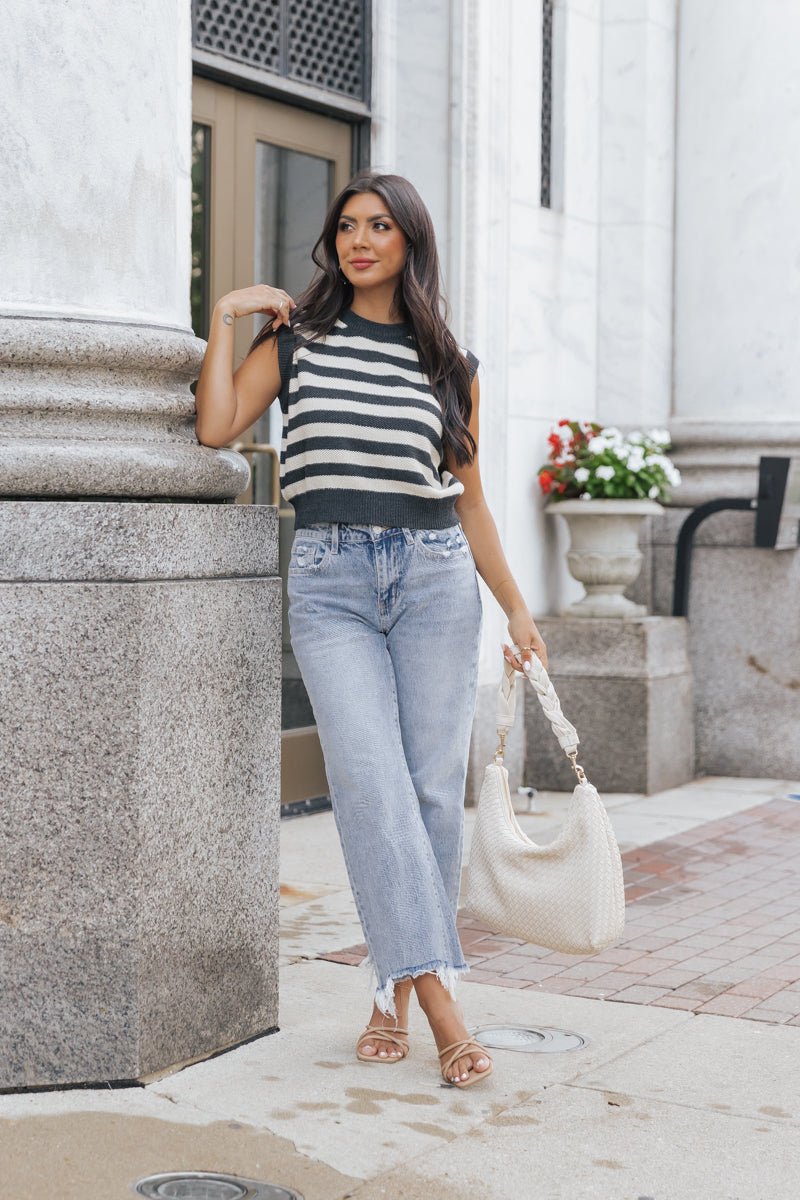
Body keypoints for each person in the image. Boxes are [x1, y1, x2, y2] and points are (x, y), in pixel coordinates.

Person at [194, 170, 547, 1089]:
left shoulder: (448, 368)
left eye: (379, 226)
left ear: (408, 242)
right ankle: (442, 1005)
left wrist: (515, 605)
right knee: (370, 783)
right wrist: (229, 312)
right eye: (346, 226)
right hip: (331, 582)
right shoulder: (298, 342)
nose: (359, 241)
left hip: (435, 581)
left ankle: (387, 994)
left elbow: (469, 505)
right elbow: (217, 425)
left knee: (431, 796)